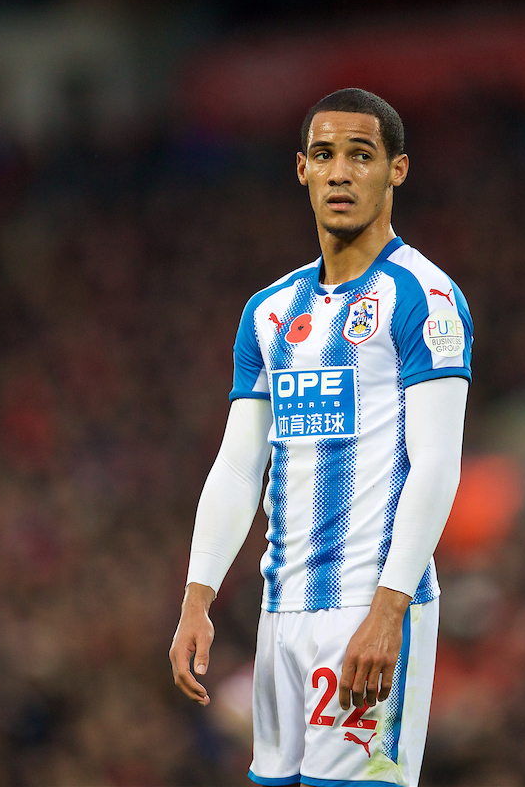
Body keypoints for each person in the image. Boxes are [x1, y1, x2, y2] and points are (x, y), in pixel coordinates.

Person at [169, 88, 472, 787]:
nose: (341, 172)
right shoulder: (271, 310)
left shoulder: (422, 299)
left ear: (396, 170)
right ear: (301, 169)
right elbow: (240, 466)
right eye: (325, 155)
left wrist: (387, 611)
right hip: (282, 612)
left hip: (370, 610)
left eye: (361, 156)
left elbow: (436, 466)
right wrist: (198, 596)